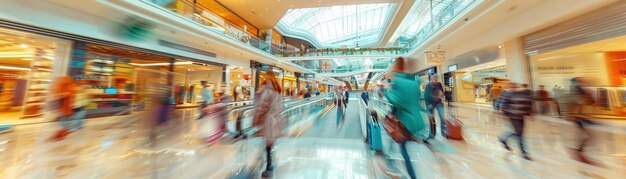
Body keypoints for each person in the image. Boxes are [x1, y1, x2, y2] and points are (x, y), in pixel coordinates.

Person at [382, 57, 425, 179]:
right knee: (396, 144)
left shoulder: (399, 82)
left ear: (397, 67)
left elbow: (394, 100)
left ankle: (409, 174)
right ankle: (392, 167)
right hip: (415, 121)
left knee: (402, 147)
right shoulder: (415, 83)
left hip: (404, 122)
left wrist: (386, 89)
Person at [252, 71, 284, 177]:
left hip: (269, 122)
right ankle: (267, 163)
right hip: (275, 121)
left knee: (268, 145)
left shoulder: (267, 90)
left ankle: (269, 167)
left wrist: (256, 120)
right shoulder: (277, 90)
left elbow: (262, 107)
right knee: (269, 144)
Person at [562, 77, 598, 165]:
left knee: (586, 136)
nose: (581, 83)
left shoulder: (581, 90)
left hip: (581, 117)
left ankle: (578, 151)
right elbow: (572, 103)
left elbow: (588, 102)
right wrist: (571, 116)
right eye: (579, 81)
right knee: (587, 136)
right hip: (578, 117)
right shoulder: (575, 91)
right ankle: (578, 151)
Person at [498, 82, 533, 160]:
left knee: (519, 133)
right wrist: (503, 113)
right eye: (511, 87)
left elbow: (527, 103)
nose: (513, 88)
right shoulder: (507, 94)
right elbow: (503, 104)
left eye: (515, 87)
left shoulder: (521, 93)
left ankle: (503, 138)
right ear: (509, 88)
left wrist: (529, 113)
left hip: (521, 116)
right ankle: (523, 152)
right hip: (513, 116)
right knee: (520, 134)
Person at [424, 74, 446, 139]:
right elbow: (426, 96)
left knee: (442, 117)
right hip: (431, 104)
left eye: (437, 79)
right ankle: (432, 134)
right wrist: (428, 104)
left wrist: (442, 94)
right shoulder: (428, 86)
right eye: (434, 79)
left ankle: (443, 132)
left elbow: (442, 92)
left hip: (439, 103)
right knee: (431, 119)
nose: (436, 80)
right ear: (431, 79)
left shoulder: (439, 84)